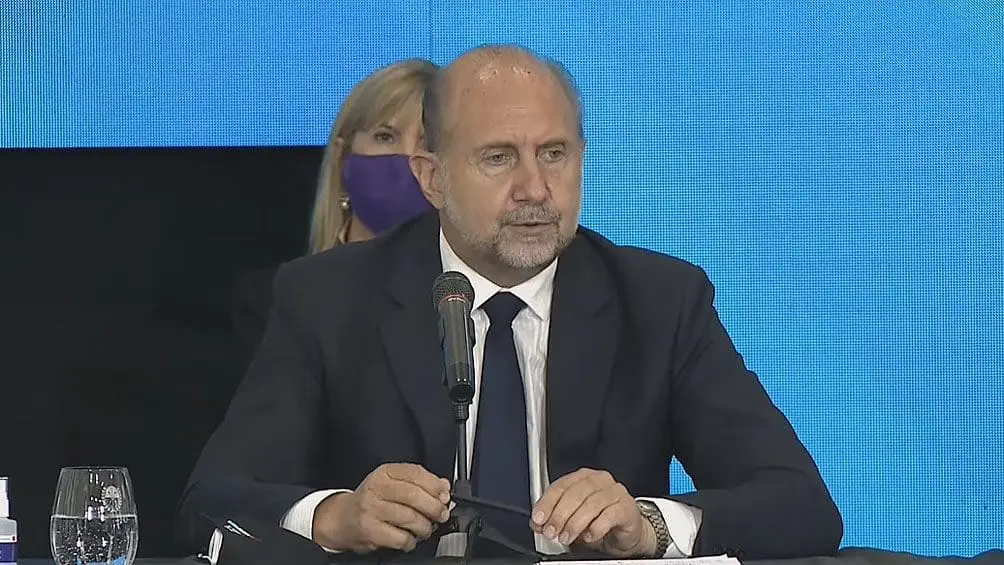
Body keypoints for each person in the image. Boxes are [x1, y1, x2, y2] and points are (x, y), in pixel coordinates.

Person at [179, 45, 843, 560]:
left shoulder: (660, 301)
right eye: (499, 158)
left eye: (554, 153)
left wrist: (649, 524)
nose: (535, 188)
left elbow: (800, 504)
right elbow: (210, 501)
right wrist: (334, 517)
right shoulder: (327, 298)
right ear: (432, 177)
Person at [231, 58, 437, 364]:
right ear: (343, 160)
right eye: (385, 137)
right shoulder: (275, 301)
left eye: (427, 142)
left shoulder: (475, 305)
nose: (407, 158)